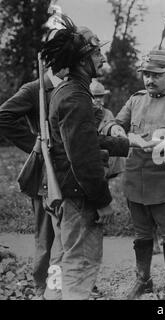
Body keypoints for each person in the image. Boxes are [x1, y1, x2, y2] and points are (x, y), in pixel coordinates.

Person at [40, 19, 137, 299]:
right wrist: (102, 201)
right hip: (78, 197)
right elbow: (84, 159)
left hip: (63, 192)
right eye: (96, 53)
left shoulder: (65, 91)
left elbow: (84, 141)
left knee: (63, 260)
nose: (102, 57)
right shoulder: (77, 97)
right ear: (82, 61)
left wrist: (127, 144)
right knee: (81, 265)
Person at [105, 48, 165, 300]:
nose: (149, 80)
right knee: (141, 234)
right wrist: (124, 135)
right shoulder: (135, 100)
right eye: (146, 74)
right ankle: (142, 280)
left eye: (156, 75)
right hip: (136, 179)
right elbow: (113, 124)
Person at [0, 44, 67, 299]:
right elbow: (4, 116)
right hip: (46, 173)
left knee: (67, 233)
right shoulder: (33, 90)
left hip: (69, 172)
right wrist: (36, 145)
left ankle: (63, 285)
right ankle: (44, 287)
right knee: (46, 234)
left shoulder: (72, 88)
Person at [90, 79, 125, 179]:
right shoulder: (84, 114)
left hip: (105, 159)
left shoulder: (107, 113)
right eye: (94, 97)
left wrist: (116, 130)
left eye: (101, 96)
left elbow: (111, 126)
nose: (98, 100)